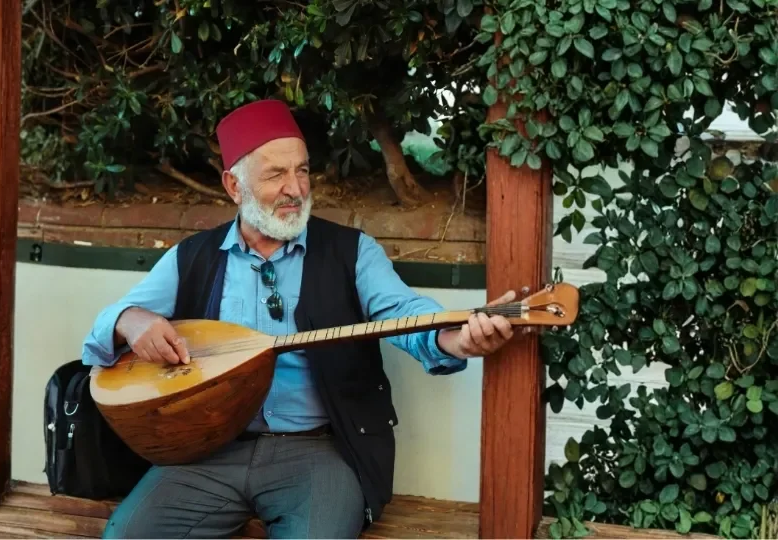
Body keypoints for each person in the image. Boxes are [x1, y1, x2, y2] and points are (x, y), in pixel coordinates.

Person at [81, 99, 516, 539]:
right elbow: (98, 337)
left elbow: (402, 312)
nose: (296, 188)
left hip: (318, 452)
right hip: (210, 452)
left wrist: (454, 339)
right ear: (234, 186)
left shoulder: (352, 252)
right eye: (276, 174)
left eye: (303, 171)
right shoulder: (192, 257)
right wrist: (130, 321)